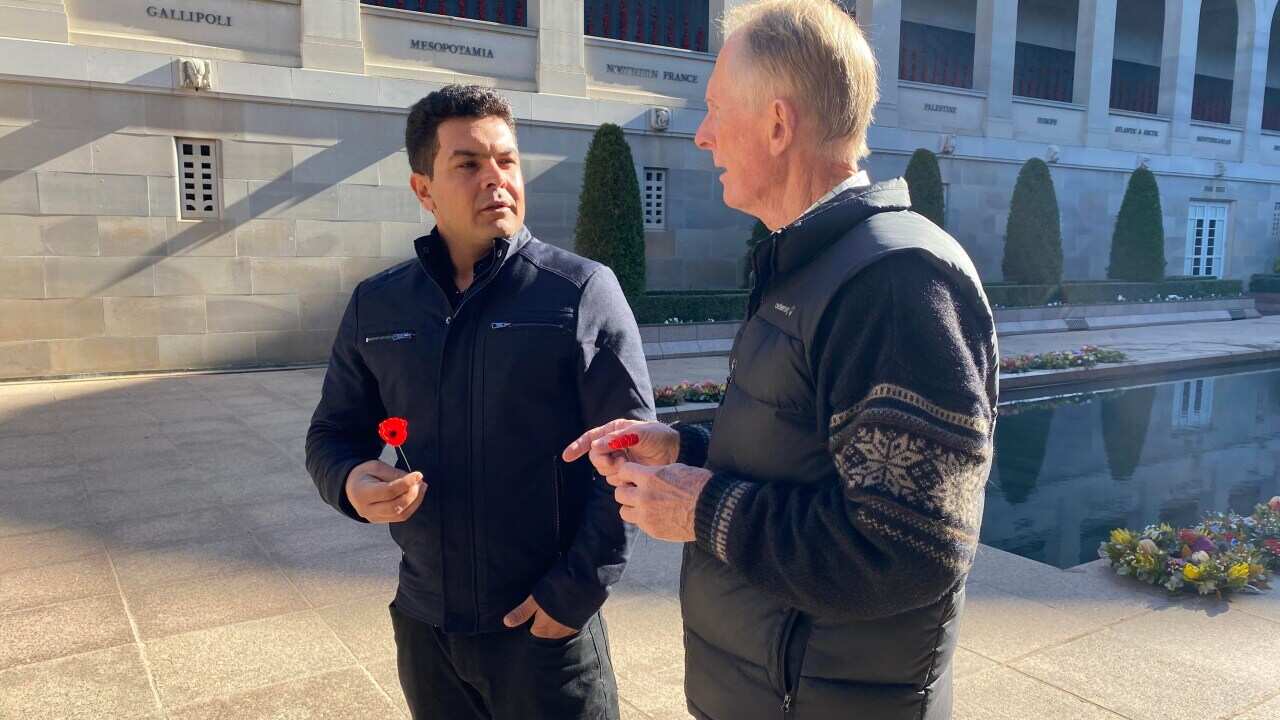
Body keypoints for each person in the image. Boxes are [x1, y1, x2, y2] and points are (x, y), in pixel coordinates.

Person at [563, 2, 999, 718]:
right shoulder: (811, 265)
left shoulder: (894, 286)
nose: (701, 136)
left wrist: (700, 507)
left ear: (776, 123)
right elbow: (807, 458)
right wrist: (686, 449)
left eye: (712, 111)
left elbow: (908, 550)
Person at [306, 84, 654, 720]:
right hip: (425, 625)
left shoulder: (578, 291)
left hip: (544, 635)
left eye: (506, 160)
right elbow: (331, 433)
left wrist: (571, 596)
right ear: (424, 189)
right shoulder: (379, 305)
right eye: (468, 163)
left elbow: (632, 454)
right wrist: (352, 480)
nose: (495, 179)